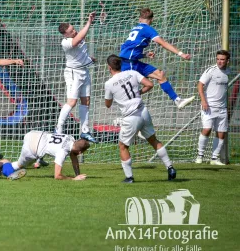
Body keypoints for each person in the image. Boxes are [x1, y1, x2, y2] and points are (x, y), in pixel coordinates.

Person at [104, 55, 177, 183]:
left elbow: (108, 105)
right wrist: (139, 93)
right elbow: (149, 84)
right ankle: (170, 167)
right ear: (121, 65)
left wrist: (116, 98)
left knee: (123, 146)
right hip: (143, 111)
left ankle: (129, 177)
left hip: (131, 117)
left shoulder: (109, 84)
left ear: (109, 68)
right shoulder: (132, 72)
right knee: (153, 140)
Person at [119, 7, 194, 109]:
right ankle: (127, 106)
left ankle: (177, 100)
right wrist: (181, 54)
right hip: (129, 64)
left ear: (140, 19)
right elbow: (163, 43)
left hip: (131, 61)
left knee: (159, 75)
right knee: (139, 89)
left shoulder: (136, 28)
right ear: (152, 20)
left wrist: (144, 55)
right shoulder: (148, 29)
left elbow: (128, 49)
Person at [56, 12, 97, 143]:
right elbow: (77, 40)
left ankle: (85, 131)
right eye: (71, 31)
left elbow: (80, 53)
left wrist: (89, 59)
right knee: (72, 102)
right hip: (73, 74)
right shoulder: (66, 42)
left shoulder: (76, 36)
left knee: (86, 101)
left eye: (73, 29)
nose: (74, 31)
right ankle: (58, 129)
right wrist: (89, 22)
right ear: (65, 34)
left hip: (84, 71)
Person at [195, 50, 231, 165]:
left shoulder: (228, 72)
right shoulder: (211, 70)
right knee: (207, 129)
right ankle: (199, 156)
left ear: (227, 61)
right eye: (218, 59)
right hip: (209, 106)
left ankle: (214, 158)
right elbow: (200, 85)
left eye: (222, 59)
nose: (220, 61)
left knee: (221, 132)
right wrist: (203, 101)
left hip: (222, 108)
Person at [11, 131, 90, 180]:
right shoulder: (62, 152)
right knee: (19, 165)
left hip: (33, 134)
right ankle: (1, 168)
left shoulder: (71, 138)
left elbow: (73, 156)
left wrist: (78, 175)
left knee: (24, 163)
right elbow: (57, 176)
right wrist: (74, 179)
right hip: (33, 147)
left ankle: (1, 167)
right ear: (80, 152)